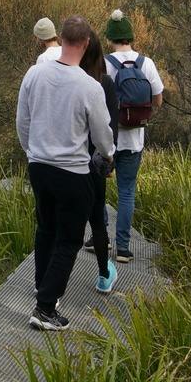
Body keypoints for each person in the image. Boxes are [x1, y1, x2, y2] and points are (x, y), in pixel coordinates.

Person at [17, 15, 115, 331]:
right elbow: (102, 135)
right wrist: (109, 155)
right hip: (72, 172)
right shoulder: (90, 87)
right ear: (85, 44)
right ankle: (45, 308)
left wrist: (32, 152)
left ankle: (42, 287)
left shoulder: (34, 74)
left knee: (45, 229)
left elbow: (23, 121)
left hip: (39, 167)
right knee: (69, 238)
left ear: (61, 38)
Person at [102, 9, 163, 263]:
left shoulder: (104, 63)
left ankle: (100, 239)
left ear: (110, 38)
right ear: (131, 36)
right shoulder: (146, 63)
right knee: (127, 192)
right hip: (134, 140)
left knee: (99, 191)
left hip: (106, 139)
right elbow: (158, 99)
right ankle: (124, 249)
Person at [79, 31, 119, 293]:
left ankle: (49, 281)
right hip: (94, 163)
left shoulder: (72, 80)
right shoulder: (104, 83)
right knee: (97, 220)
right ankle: (104, 275)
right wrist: (108, 159)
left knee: (65, 224)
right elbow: (110, 126)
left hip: (69, 161)